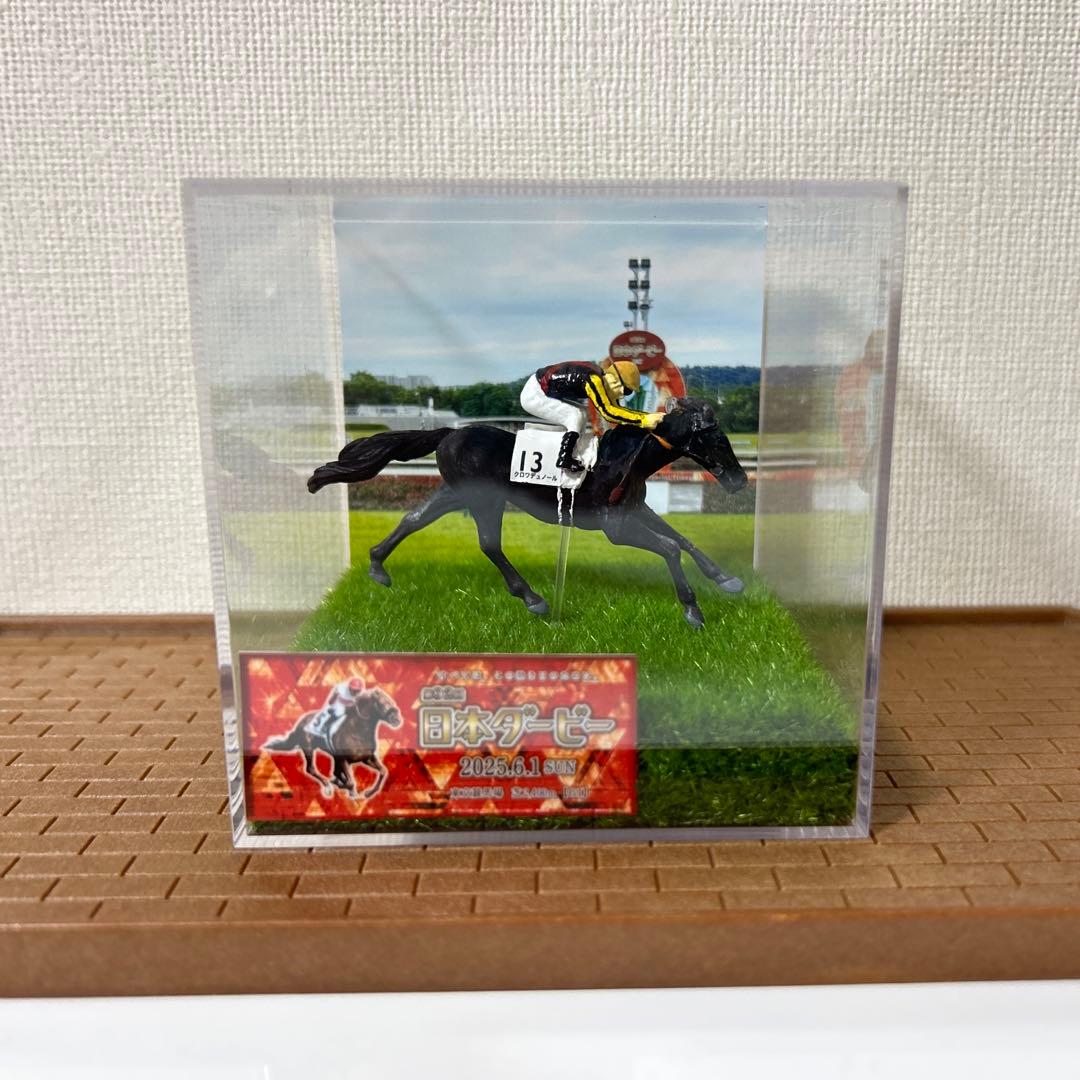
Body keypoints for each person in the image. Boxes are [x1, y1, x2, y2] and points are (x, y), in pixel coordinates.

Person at [518, 359, 665, 473]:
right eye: (627, 391)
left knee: (581, 412)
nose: (624, 395)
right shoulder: (594, 381)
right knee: (575, 415)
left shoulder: (604, 379)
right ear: (615, 381)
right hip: (534, 393)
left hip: (541, 387)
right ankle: (564, 458)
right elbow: (608, 413)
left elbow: (618, 410)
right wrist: (644, 420)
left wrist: (648, 417)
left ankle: (574, 452)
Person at [309, 676, 365, 742]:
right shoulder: (341, 688)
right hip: (338, 703)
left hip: (349, 705)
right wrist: (350, 702)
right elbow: (335, 701)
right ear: (349, 688)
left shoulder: (361, 693)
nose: (355, 693)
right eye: (354, 690)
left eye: (357, 691)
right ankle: (325, 726)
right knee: (339, 712)